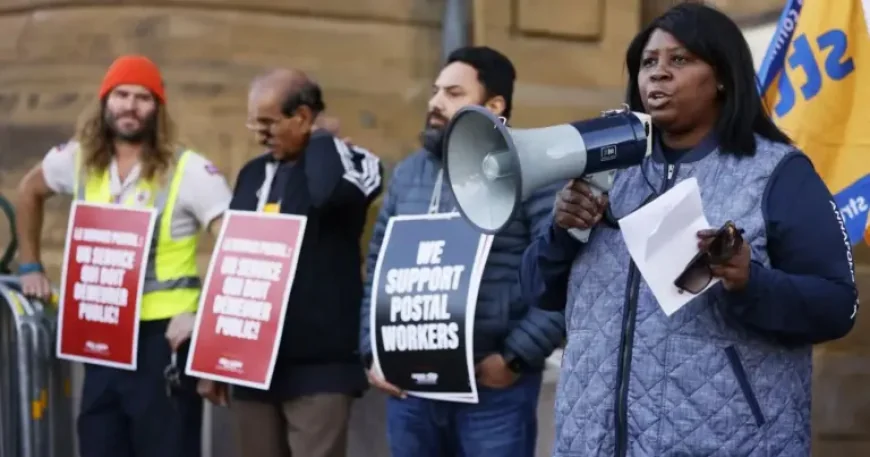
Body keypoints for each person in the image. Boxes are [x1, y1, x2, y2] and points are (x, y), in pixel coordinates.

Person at [519, 4, 858, 456]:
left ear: (721, 76)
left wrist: (749, 283)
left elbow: (838, 306)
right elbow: (535, 291)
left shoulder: (777, 173)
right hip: (592, 443)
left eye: (679, 60)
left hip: (729, 442)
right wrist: (561, 232)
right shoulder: (608, 169)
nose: (657, 74)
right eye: (648, 63)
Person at [14, 55, 233, 457]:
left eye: (143, 97)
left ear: (158, 108)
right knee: (99, 444)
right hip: (100, 334)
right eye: (121, 94)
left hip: (163, 340)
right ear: (105, 102)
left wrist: (204, 316)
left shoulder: (192, 171)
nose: (130, 106)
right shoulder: (78, 158)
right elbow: (29, 190)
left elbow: (236, 244)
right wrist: (30, 265)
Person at [360, 46, 566, 457]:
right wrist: (373, 352)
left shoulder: (533, 172)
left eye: (453, 93)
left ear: (493, 105)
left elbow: (561, 277)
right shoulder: (408, 174)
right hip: (410, 390)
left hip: (492, 390)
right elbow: (377, 268)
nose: (435, 103)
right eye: (436, 91)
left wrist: (514, 358)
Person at [206, 69, 383, 457]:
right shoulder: (252, 174)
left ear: (302, 117)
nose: (258, 134)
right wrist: (214, 357)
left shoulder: (352, 161)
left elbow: (325, 194)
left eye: (268, 122)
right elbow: (233, 263)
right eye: (254, 122)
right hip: (251, 366)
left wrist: (321, 140)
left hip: (319, 369)